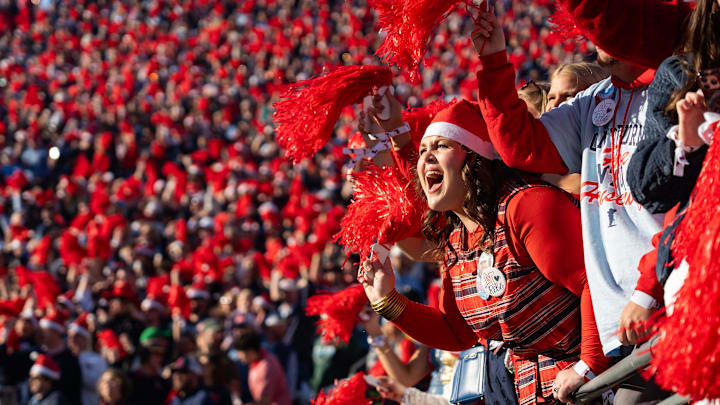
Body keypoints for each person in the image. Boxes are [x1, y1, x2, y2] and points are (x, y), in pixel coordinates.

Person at [471, 7, 673, 403]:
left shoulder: (675, 85)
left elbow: (686, 208)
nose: (595, 30)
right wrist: (494, 61)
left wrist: (648, 291)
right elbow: (521, 146)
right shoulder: (593, 100)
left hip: (672, 299)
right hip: (622, 323)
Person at [360, 98, 608, 405]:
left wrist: (590, 365)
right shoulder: (456, 240)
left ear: (474, 157)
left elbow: (594, 280)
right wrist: (388, 301)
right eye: (423, 151)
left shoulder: (526, 206)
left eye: (441, 146)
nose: (426, 158)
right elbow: (457, 334)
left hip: (594, 387)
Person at [234, 330, 292, 405]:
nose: (239, 357)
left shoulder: (266, 366)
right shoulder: (259, 360)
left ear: (251, 352)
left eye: (240, 353)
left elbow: (264, 401)